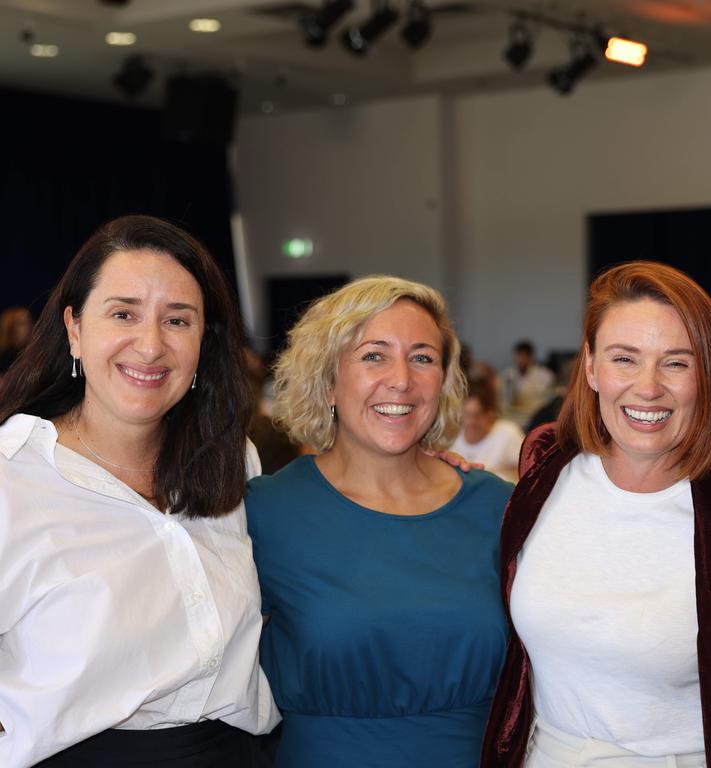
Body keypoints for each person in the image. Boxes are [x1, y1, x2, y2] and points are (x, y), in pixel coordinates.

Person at [481, 261, 711, 768]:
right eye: (624, 359)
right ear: (589, 366)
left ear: (708, 374)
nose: (648, 387)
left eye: (676, 363)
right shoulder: (544, 467)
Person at [0, 215, 279, 767]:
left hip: (238, 752)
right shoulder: (13, 475)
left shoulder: (229, 458)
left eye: (178, 320)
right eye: (123, 314)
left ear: (205, 341)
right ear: (74, 328)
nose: (150, 345)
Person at [246, 276, 513, 767]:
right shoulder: (264, 513)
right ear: (327, 382)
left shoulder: (498, 508)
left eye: (422, 357)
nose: (402, 379)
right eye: (374, 355)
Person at [451, 376, 525, 482]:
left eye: (477, 415)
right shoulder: (452, 436)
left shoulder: (508, 433)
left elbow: (527, 472)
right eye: (467, 415)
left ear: (490, 413)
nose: (471, 422)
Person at [501, 339, 555, 428]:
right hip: (512, 419)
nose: (521, 359)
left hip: (534, 420)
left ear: (531, 357)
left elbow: (549, 401)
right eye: (519, 355)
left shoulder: (545, 376)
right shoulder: (507, 375)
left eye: (525, 356)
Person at [0, 305, 33, 374]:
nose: (28, 327)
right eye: (22, 324)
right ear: (10, 328)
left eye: (29, 322)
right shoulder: (3, 358)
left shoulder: (34, 353)